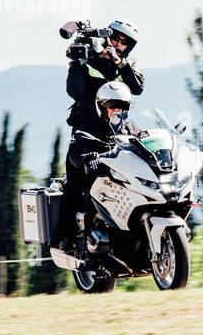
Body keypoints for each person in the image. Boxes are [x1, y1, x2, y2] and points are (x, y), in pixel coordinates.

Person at [57, 19, 144, 250]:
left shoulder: (125, 65)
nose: (118, 43)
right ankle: (65, 238)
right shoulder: (87, 60)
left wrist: (119, 62)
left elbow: (137, 88)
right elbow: (74, 91)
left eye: (124, 42)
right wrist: (76, 61)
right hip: (87, 130)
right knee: (76, 184)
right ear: (106, 37)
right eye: (115, 38)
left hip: (118, 129)